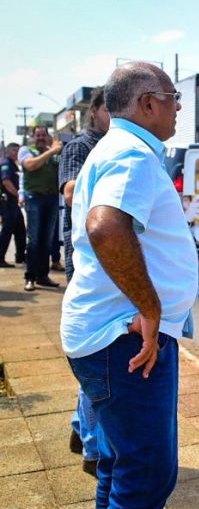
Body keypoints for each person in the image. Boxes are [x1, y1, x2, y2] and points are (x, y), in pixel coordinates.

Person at [61, 61, 199, 509]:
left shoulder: (118, 149)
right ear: (147, 103)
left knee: (119, 469)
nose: (178, 106)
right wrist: (151, 307)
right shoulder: (134, 156)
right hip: (127, 338)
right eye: (171, 97)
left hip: (111, 334)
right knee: (146, 478)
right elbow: (106, 226)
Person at [58, 87, 111, 477]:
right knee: (97, 354)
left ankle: (81, 429)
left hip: (102, 256)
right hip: (85, 257)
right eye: (110, 107)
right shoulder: (83, 146)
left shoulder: (113, 145)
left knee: (95, 359)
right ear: (95, 112)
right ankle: (93, 450)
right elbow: (71, 190)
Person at [19, 125, 62, 291]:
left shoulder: (52, 152)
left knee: (47, 240)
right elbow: (31, 165)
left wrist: (58, 150)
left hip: (51, 198)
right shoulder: (26, 150)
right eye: (38, 135)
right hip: (34, 197)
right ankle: (30, 277)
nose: (41, 138)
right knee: (34, 240)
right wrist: (51, 151)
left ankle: (42, 276)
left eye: (44, 135)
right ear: (33, 136)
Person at [0, 142, 26, 267]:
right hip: (7, 201)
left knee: (20, 229)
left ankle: (20, 256)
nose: (16, 153)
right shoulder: (6, 164)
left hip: (12, 202)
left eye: (18, 151)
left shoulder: (14, 165)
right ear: (7, 151)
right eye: (14, 150)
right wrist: (18, 195)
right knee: (7, 229)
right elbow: (6, 181)